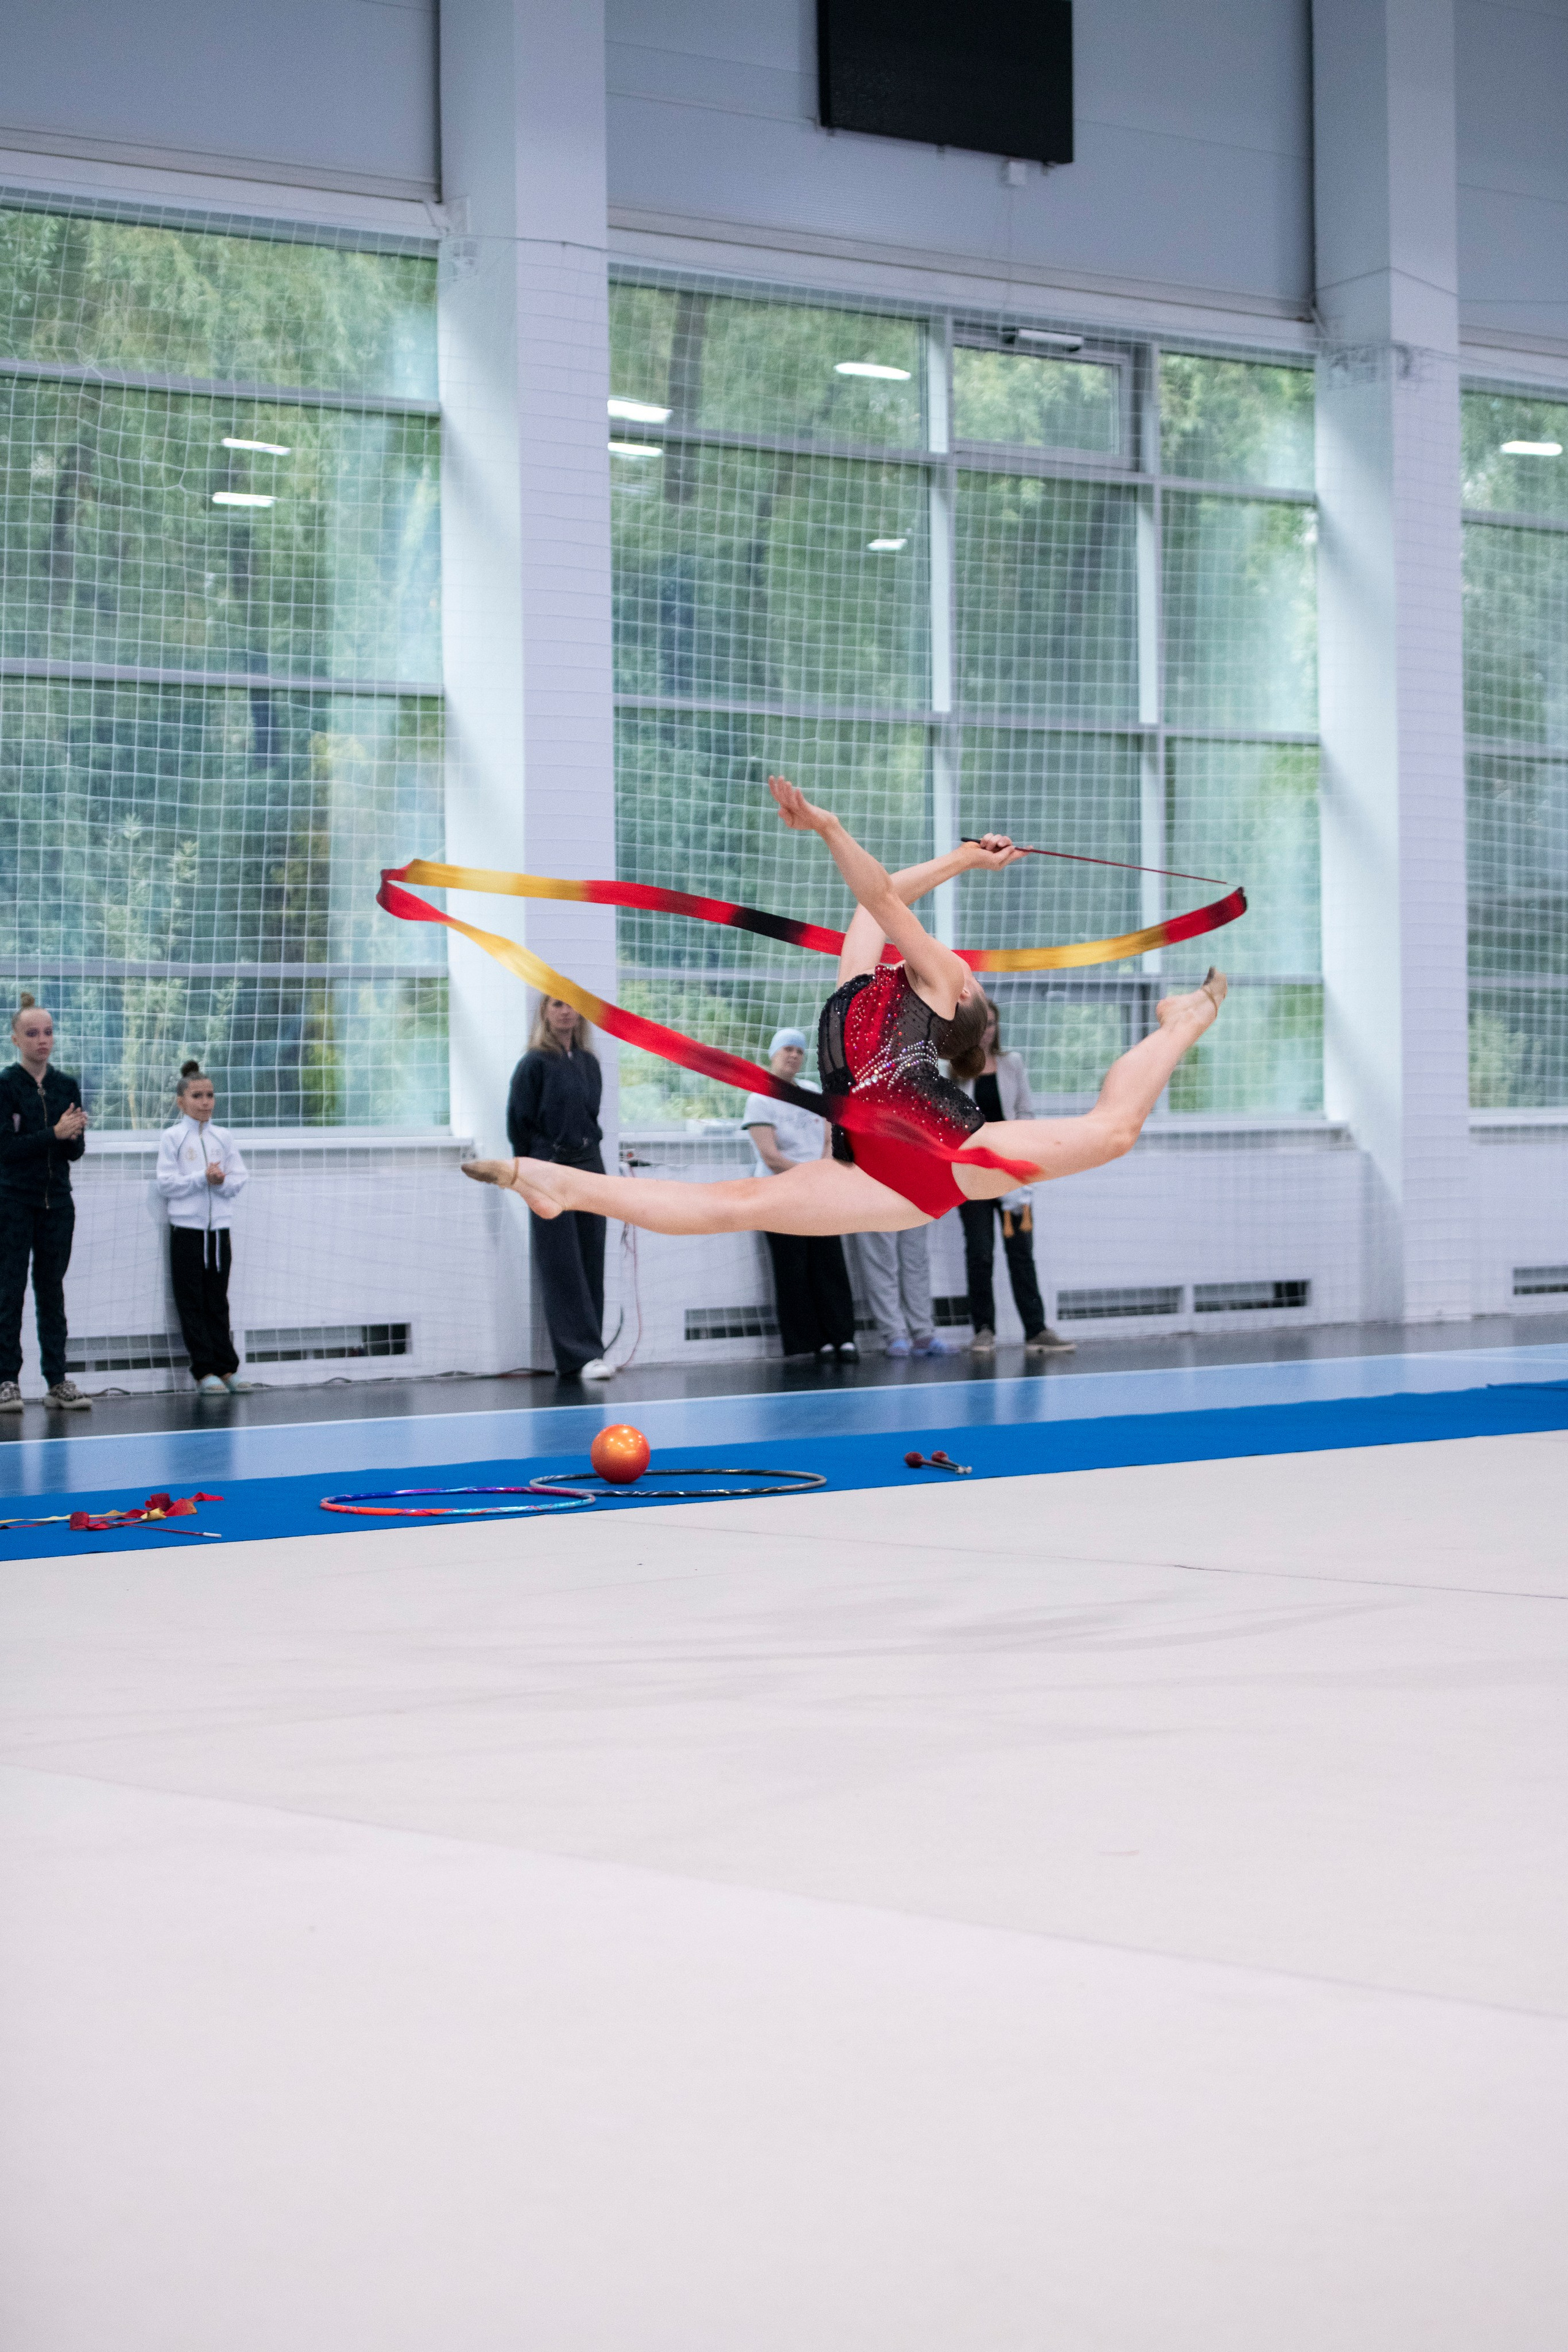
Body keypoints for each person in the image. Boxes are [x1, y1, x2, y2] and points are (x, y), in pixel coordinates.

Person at [464, 777, 1227, 1245]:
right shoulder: (867, 989)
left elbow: (879, 898)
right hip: (880, 1172)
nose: (971, 965)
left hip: (936, 1161)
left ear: (958, 995)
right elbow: (877, 903)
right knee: (732, 1205)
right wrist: (963, 857)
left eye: (978, 980)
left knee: (1114, 1130)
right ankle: (556, 1183)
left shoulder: (929, 982)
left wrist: (831, 827)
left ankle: (1181, 1019)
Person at [950, 995, 1074, 1357]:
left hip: (1011, 1174)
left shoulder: (1012, 1063)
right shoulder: (952, 1070)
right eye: (980, 1025)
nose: (987, 1032)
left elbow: (1026, 1113)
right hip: (972, 1174)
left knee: (1021, 1253)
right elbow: (947, 1123)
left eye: (991, 1024)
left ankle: (1036, 1330)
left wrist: (1010, 1146)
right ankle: (983, 1331)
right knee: (980, 1254)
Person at [506, 995, 613, 1381]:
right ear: (544, 1014)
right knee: (561, 1262)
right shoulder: (534, 1064)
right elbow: (518, 1123)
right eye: (556, 1004)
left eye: (570, 1004)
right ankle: (578, 1356)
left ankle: (593, 1351)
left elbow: (590, 1116)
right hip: (547, 1167)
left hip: (588, 1166)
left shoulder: (589, 1063)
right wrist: (531, 1172)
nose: (565, 1011)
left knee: (591, 1256)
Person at [742, 1027, 858, 1363]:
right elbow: (771, 1156)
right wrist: (811, 1175)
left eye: (799, 1051)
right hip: (780, 1196)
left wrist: (822, 1172)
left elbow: (827, 1138)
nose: (793, 1055)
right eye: (787, 1049)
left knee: (830, 1264)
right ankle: (805, 1343)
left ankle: (842, 1338)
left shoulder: (810, 1092)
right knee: (793, 1268)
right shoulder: (759, 1097)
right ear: (774, 1054)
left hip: (818, 1194)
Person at [0, 992, 91, 1412]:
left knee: (51, 1291)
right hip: (14, 1202)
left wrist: (72, 1136)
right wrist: (52, 1134)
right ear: (16, 1039)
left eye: (49, 1032)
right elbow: (6, 1149)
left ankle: (57, 1381)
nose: (43, 1040)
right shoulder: (6, 1086)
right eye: (33, 1033)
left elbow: (74, 1153)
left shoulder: (65, 1085)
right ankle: (6, 1380)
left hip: (58, 1202)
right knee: (10, 1290)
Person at [156, 1060, 253, 1396]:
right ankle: (203, 1370)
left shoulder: (223, 1137)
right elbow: (167, 1184)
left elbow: (239, 1177)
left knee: (218, 1300)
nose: (206, 1102)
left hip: (218, 1232)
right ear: (181, 1101)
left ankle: (227, 1367)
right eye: (197, 1096)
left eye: (210, 1095)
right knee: (191, 1302)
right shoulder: (173, 1138)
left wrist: (221, 1182)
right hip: (187, 1232)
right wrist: (203, 1178)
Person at [851, 1224, 961, 1359]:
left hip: (918, 1202)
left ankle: (923, 1333)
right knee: (880, 1256)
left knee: (916, 1259)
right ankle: (894, 1333)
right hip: (873, 1203)